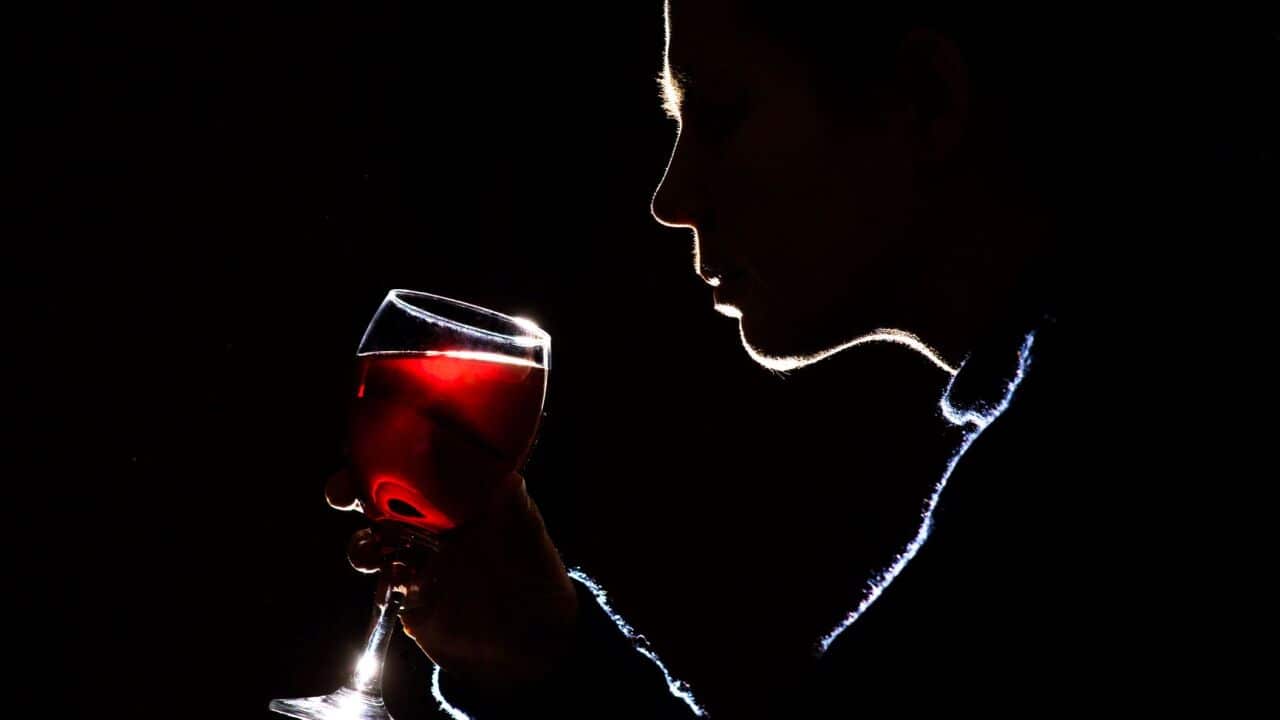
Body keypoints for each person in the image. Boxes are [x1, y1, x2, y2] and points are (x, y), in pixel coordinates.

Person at [326, 2, 1275, 717]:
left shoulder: (1103, 465)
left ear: (926, 102)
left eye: (724, 115)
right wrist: (535, 650)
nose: (669, 197)